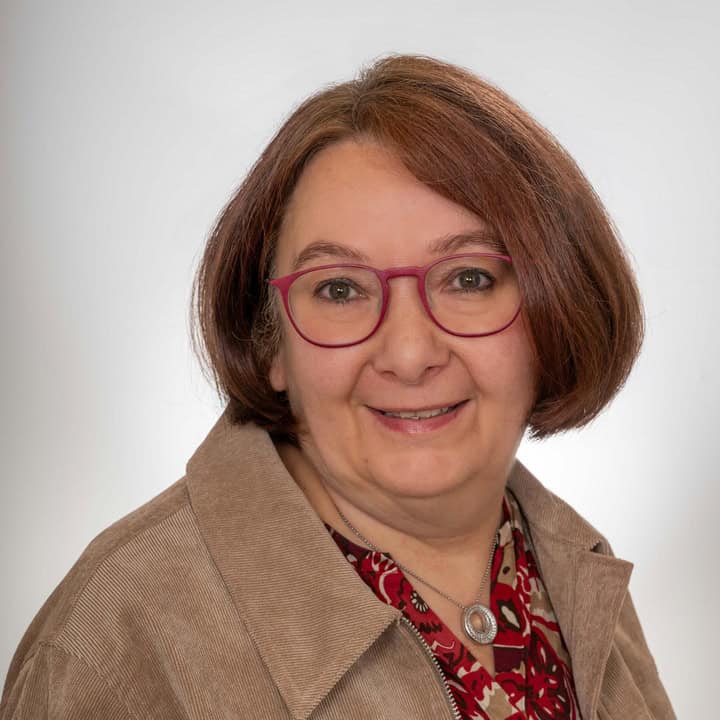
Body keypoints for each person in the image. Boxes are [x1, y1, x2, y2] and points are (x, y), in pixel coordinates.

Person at [0, 55, 675, 720]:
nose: (409, 355)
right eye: (341, 290)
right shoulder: (117, 642)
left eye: (468, 279)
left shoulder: (574, 573)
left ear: (555, 312)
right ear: (270, 341)